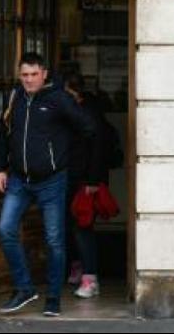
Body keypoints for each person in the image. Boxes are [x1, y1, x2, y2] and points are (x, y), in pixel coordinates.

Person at [0, 51, 96, 318]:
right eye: (24, 75)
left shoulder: (59, 99)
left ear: (44, 74)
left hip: (52, 181)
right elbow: (2, 133)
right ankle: (25, 289)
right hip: (18, 179)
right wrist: (0, 167)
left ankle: (53, 297)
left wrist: (64, 160)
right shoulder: (14, 97)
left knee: (54, 240)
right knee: (5, 229)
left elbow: (88, 129)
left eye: (34, 74)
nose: (29, 80)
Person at [62, 70, 112, 299]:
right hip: (71, 176)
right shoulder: (70, 112)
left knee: (82, 228)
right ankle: (78, 268)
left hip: (85, 180)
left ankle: (90, 278)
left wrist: (93, 180)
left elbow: (99, 147)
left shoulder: (89, 113)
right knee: (72, 226)